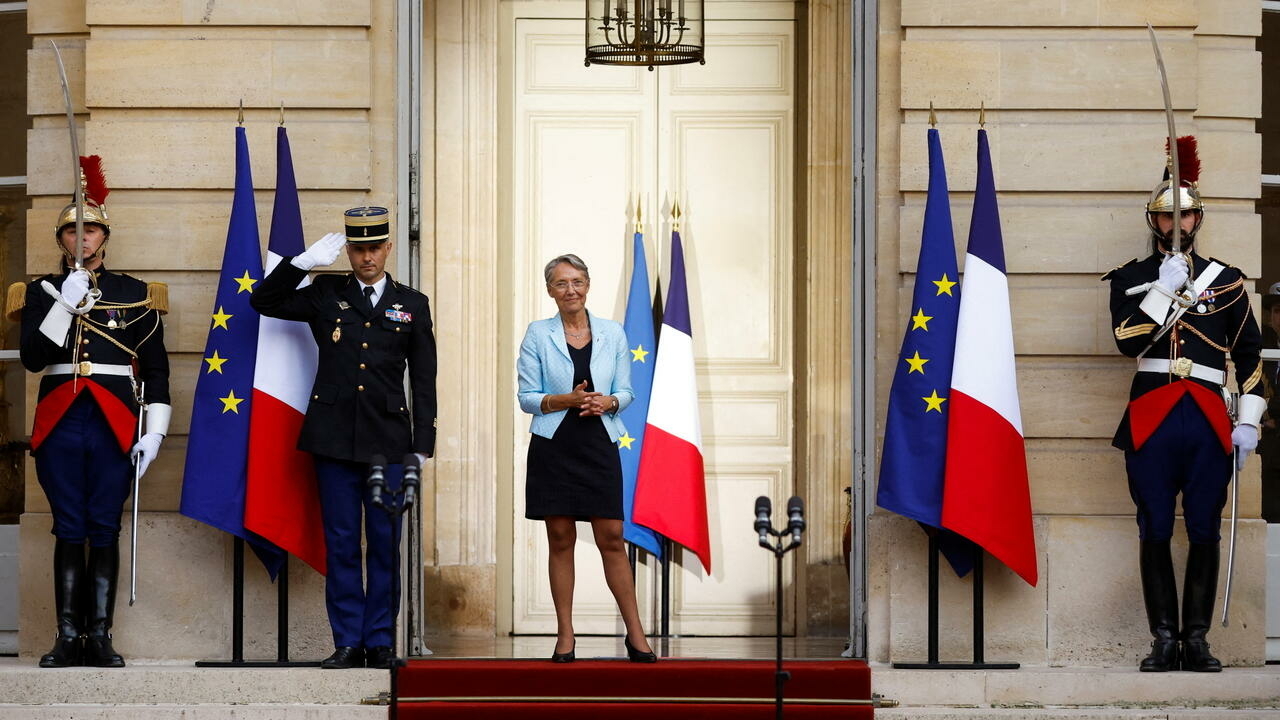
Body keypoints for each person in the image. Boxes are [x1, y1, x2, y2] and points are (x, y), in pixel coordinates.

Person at [250, 206, 436, 670]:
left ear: (388, 248)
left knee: (385, 542)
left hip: (389, 441)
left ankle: (381, 641)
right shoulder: (325, 292)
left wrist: (422, 444)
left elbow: (424, 378)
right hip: (333, 437)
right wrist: (301, 263)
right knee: (342, 541)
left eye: (374, 248)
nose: (367, 257)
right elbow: (263, 301)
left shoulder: (412, 303)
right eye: (358, 249)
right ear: (348, 251)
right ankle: (348, 640)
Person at [1104, 137, 1263, 672]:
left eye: (1185, 215)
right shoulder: (1131, 279)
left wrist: (1249, 421)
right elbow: (1126, 342)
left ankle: (1196, 640)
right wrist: (1162, 291)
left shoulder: (1227, 281)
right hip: (1151, 417)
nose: (1177, 224)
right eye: (1167, 216)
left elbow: (1251, 357)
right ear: (1154, 221)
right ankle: (1163, 639)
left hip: (1207, 420)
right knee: (1153, 524)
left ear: (1198, 219)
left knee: (1203, 528)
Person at [7, 157, 171, 668]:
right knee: (68, 525)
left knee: (104, 525)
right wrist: (63, 303)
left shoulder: (134, 293)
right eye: (72, 231)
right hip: (61, 419)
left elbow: (157, 369)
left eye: (91, 230)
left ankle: (99, 636)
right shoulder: (39, 292)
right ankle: (67, 636)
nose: (82, 239)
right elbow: (34, 359)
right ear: (61, 240)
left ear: (105, 236)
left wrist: (156, 431)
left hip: (114, 419)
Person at [517, 254, 656, 664]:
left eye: (577, 281)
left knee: (611, 537)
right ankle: (565, 636)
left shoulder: (612, 332)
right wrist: (567, 399)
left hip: (598, 444)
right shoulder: (538, 334)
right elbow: (527, 398)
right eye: (561, 283)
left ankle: (636, 635)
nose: (570, 290)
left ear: (588, 285)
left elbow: (627, 392)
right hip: (554, 446)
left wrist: (608, 401)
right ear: (550, 290)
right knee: (560, 539)